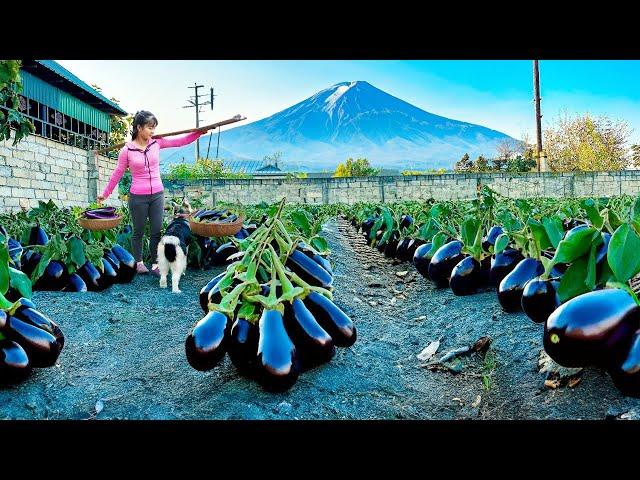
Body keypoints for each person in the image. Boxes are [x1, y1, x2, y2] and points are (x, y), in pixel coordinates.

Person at [98, 110, 210, 275]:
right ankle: (139, 262)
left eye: (154, 128)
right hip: (137, 196)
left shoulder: (156, 143)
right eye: (150, 127)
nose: (152, 131)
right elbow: (118, 173)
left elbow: (180, 141)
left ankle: (156, 265)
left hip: (157, 194)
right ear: (139, 127)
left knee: (156, 231)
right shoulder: (127, 150)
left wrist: (198, 134)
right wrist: (105, 194)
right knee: (139, 231)